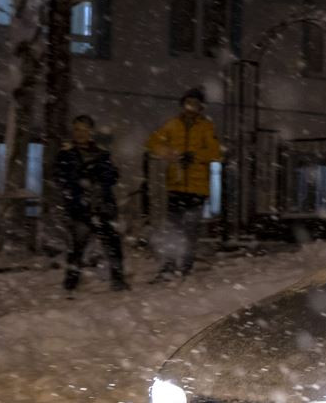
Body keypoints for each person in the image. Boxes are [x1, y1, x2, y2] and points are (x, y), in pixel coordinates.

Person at [145, 87, 222, 282]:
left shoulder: (206, 127)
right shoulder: (172, 125)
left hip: (197, 189)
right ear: (183, 104)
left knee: (190, 232)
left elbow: (215, 153)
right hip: (176, 186)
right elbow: (152, 143)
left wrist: (195, 156)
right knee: (173, 231)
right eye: (188, 103)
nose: (191, 107)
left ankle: (184, 268)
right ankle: (168, 267)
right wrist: (171, 153)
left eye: (195, 104)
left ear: (201, 107)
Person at [57, 114, 129, 293]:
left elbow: (112, 176)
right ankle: (70, 284)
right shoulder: (65, 154)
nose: (80, 133)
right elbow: (60, 177)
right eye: (77, 129)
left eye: (84, 129)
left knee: (113, 245)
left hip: (102, 206)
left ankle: (118, 280)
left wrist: (98, 177)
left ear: (91, 132)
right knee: (77, 247)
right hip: (79, 208)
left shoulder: (100, 152)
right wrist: (80, 182)